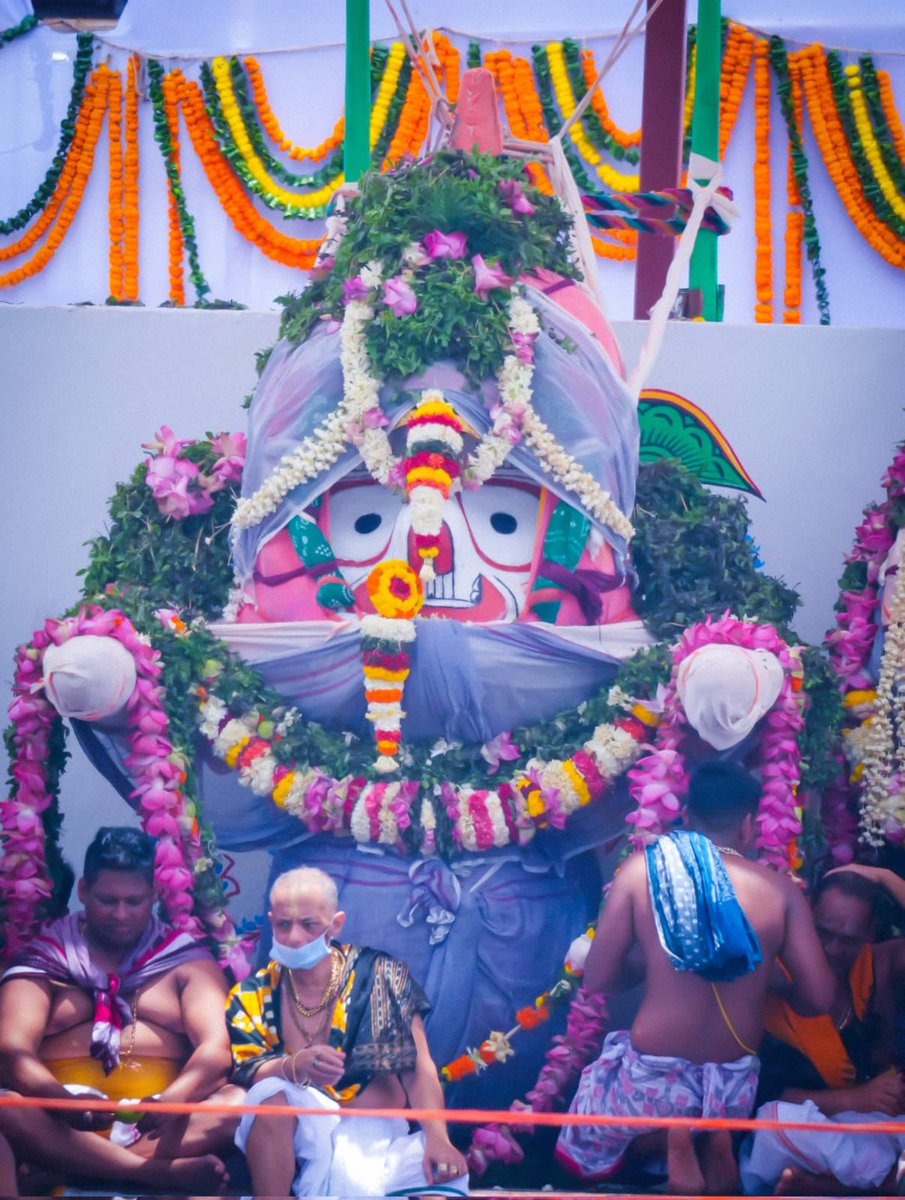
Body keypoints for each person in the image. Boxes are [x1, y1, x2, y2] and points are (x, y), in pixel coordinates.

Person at [555, 761, 835, 1194]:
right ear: (747, 826)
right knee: (714, 1127)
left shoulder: (641, 871)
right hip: (732, 1079)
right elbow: (818, 998)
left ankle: (675, 1143)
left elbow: (599, 979)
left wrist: (655, 960)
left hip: (651, 1077)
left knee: (596, 1134)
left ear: (685, 817)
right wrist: (761, 978)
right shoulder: (780, 892)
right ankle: (708, 1145)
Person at [0, 826, 241, 1192]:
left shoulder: (186, 963)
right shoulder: (44, 960)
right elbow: (11, 1053)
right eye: (107, 900)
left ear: (155, 895)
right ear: (83, 891)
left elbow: (217, 1051)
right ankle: (150, 1172)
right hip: (58, 1123)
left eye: (135, 901)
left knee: (238, 1104)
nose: (121, 914)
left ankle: (76, 1166)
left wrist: (168, 1101)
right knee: (4, 1104)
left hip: (157, 1127)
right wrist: (61, 1102)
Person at [227, 866, 468, 1196]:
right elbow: (250, 1069)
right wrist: (294, 1066)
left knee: (447, 1174)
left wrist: (438, 1138)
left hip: (379, 1134)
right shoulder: (253, 994)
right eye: (284, 925)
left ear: (335, 924)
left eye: (309, 924)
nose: (295, 937)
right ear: (272, 921)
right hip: (301, 1133)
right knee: (269, 1095)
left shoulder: (380, 975)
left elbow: (418, 1067)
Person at [742, 864, 905, 1195]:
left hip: (873, 1130)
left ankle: (828, 1185)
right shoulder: (776, 976)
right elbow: (765, 1095)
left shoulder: (881, 966)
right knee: (775, 1121)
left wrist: (884, 877)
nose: (832, 949)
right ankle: (883, 1183)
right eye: (823, 932)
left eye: (848, 940)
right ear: (805, 917)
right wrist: (857, 1098)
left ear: (871, 933)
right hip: (805, 1133)